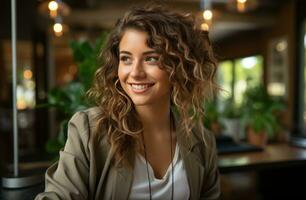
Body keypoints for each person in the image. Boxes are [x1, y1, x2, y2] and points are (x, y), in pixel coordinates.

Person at [35, 4, 220, 200]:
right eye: (126, 59)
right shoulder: (90, 129)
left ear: (179, 67)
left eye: (151, 58)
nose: (135, 73)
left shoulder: (202, 141)